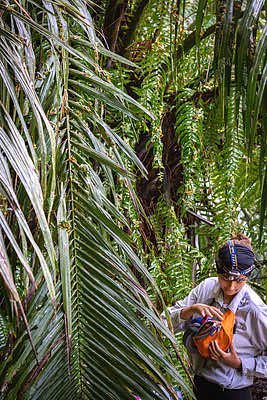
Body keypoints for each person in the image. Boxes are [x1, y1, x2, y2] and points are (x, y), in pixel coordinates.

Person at [162, 234, 267, 400]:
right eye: (225, 278)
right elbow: (163, 321)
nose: (231, 286)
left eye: (239, 281)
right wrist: (190, 310)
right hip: (199, 384)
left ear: (247, 276)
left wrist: (240, 364)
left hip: (233, 393)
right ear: (218, 269)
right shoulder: (207, 289)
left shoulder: (255, 310)